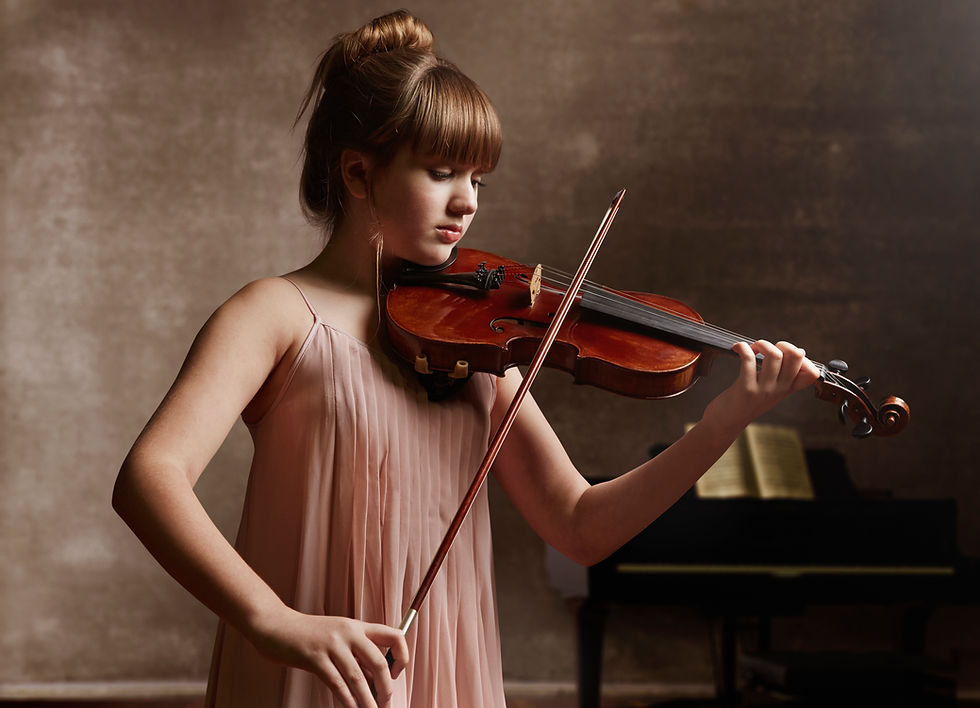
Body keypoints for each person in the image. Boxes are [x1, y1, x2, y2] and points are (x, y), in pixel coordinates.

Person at [112, 9, 820, 708]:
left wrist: (723, 421)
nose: (467, 202)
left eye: (478, 180)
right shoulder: (273, 314)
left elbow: (581, 526)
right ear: (358, 174)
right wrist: (273, 621)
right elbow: (150, 476)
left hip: (446, 676)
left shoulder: (477, 345)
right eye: (442, 171)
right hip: (312, 675)